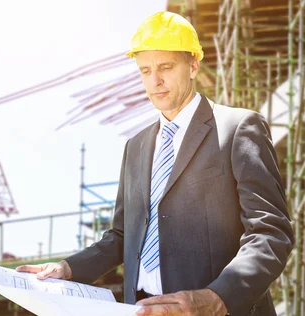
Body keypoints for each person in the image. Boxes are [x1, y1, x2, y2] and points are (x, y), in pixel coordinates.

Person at [16, 11, 294, 316]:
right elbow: (122, 236)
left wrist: (217, 298)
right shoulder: (135, 147)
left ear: (193, 65)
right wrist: (67, 268)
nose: (154, 81)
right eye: (144, 70)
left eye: (165, 67)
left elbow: (270, 232)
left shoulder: (237, 128)